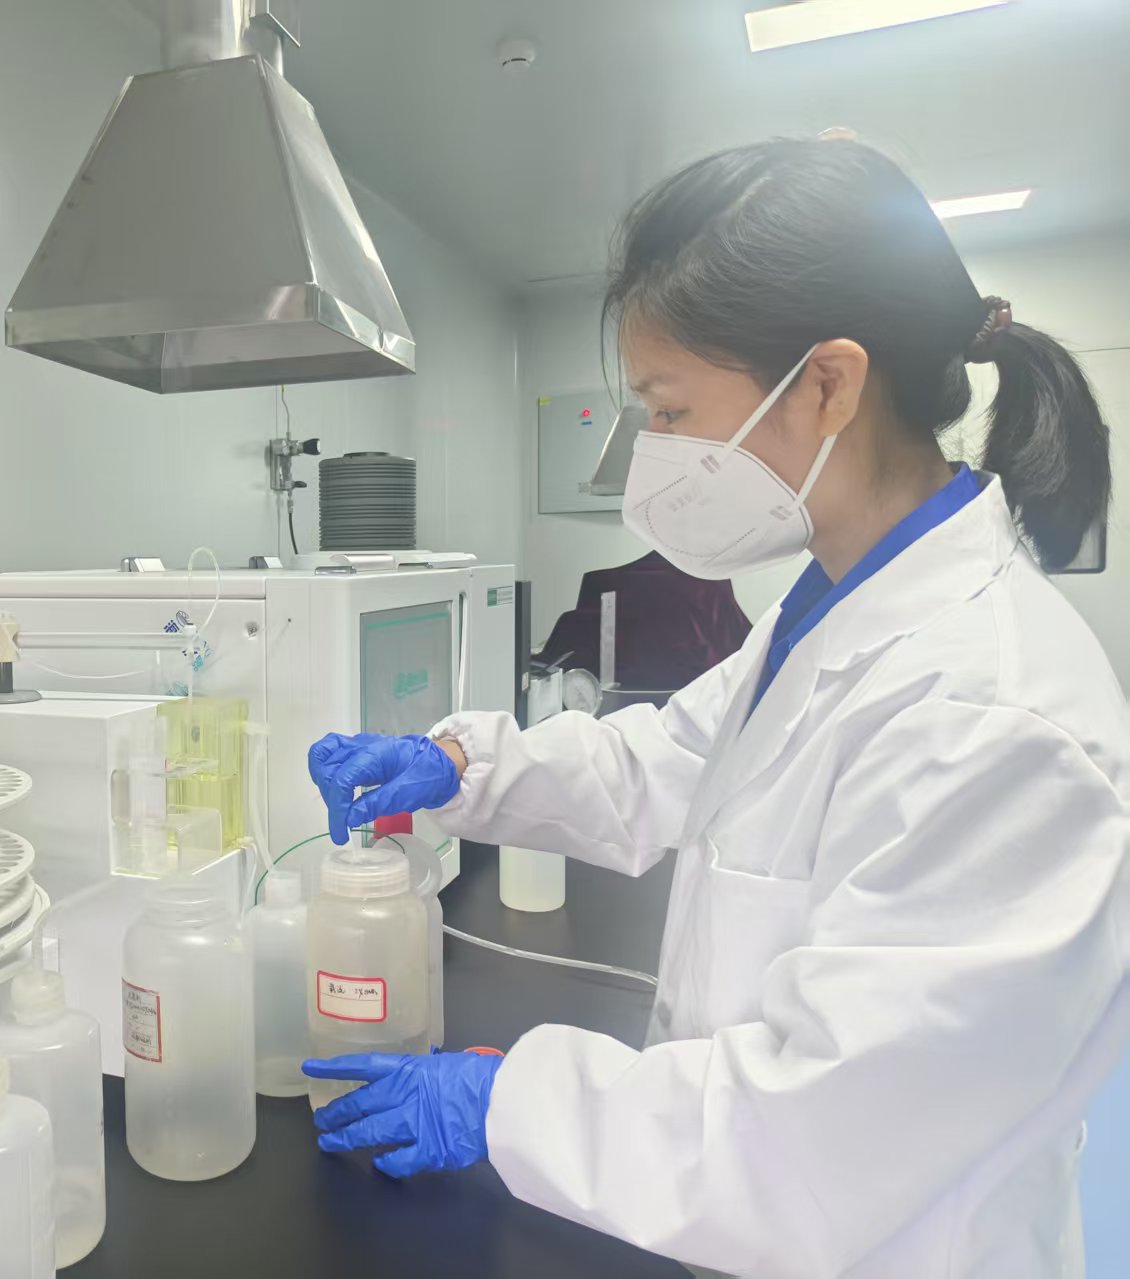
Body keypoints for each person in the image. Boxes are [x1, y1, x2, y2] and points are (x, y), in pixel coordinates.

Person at [303, 136, 1130, 1279]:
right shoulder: (835, 598)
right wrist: (462, 765)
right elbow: (671, 758)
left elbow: (820, 1140)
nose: (654, 452)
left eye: (670, 407)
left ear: (827, 384)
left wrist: (511, 1101)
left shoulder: (991, 715)